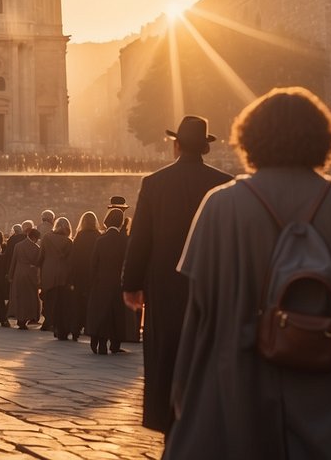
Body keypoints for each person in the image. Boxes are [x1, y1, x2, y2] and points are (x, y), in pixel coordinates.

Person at [165, 87, 331, 459]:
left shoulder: (220, 205)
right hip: (325, 372)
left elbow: (199, 308)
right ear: (323, 138)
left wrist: (183, 381)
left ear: (249, 138)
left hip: (238, 377)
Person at [119, 115, 232, 433]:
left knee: (165, 352)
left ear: (176, 145)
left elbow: (140, 239)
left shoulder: (154, 183)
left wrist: (132, 285)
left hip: (165, 286)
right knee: (207, 352)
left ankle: (167, 420)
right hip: (210, 286)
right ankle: (207, 421)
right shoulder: (223, 183)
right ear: (206, 147)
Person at [87, 209, 128, 354]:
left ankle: (101, 343)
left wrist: (93, 281)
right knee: (116, 313)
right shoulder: (125, 241)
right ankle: (115, 344)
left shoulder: (100, 240)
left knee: (102, 312)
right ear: (121, 222)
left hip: (101, 282)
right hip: (118, 283)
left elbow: (93, 264)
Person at [66, 211, 100, 341]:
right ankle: (89, 327)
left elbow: (73, 258)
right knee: (90, 303)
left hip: (79, 275)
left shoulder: (79, 236)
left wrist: (71, 277)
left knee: (77, 304)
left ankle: (75, 330)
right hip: (92, 275)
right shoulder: (98, 236)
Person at [38, 217, 72, 339]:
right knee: (60, 300)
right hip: (62, 273)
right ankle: (56, 323)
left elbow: (41, 256)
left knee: (48, 298)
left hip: (48, 271)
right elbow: (70, 261)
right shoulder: (68, 242)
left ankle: (48, 321)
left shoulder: (47, 238)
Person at [7, 228, 41, 329]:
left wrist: (10, 275)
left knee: (19, 297)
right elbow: (38, 263)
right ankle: (26, 318)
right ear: (35, 238)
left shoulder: (18, 245)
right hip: (30, 275)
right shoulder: (36, 248)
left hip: (18, 273)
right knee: (29, 298)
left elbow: (13, 261)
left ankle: (19, 318)